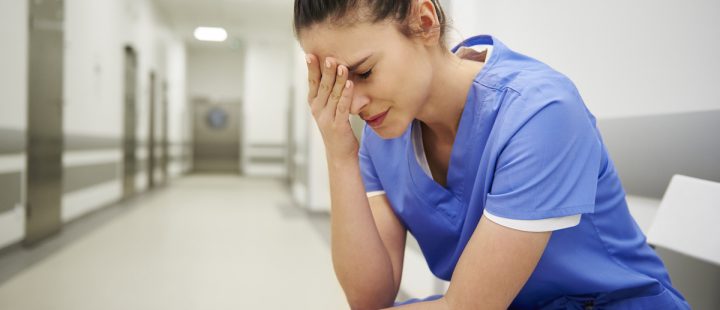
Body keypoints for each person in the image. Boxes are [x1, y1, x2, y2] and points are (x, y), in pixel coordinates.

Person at [293, 0, 690, 309]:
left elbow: (470, 306)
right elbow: (369, 298)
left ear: (425, 23)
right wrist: (340, 153)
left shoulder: (538, 110)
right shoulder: (383, 140)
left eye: (362, 73)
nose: (353, 103)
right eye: (335, 84)